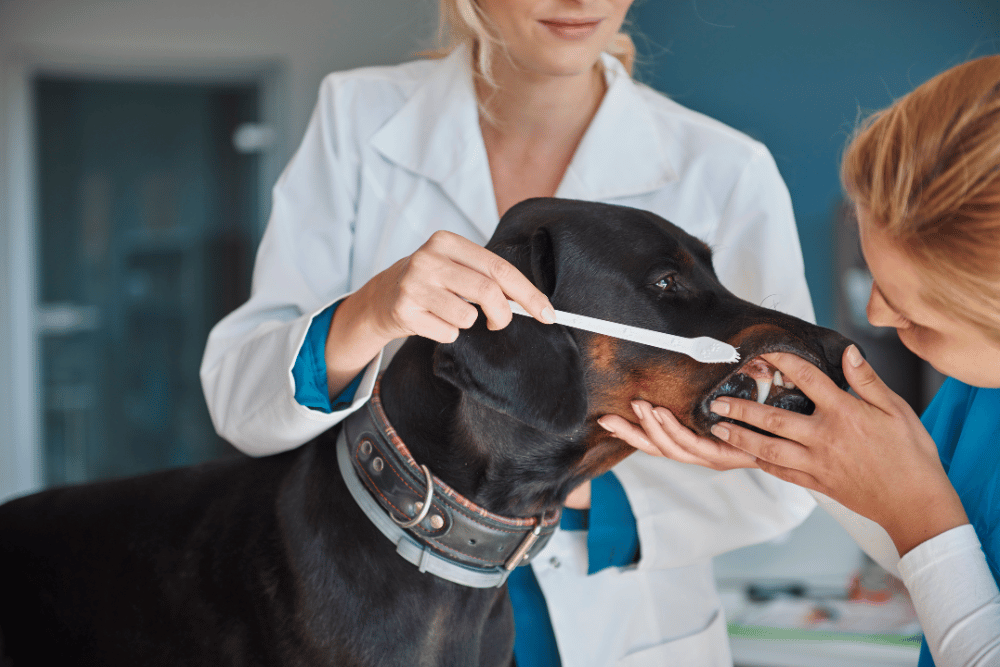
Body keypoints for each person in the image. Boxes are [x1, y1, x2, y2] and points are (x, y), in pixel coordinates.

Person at [200, 1, 821, 664]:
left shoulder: (725, 170)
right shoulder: (358, 119)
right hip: (378, 617)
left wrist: (539, 491)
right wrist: (372, 308)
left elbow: (787, 469)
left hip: (611, 627)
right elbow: (243, 403)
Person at [602, 54, 1000, 667]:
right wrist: (800, 453)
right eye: (875, 275)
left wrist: (921, 510)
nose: (878, 314)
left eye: (918, 316)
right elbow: (956, 569)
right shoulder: (983, 391)